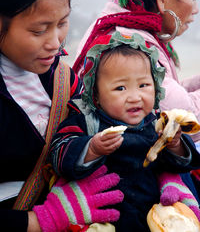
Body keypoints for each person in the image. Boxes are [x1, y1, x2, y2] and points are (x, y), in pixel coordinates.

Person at [0, 0, 123, 231]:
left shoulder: (64, 79)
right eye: (40, 29)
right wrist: (40, 221)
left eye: (62, 23)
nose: (55, 42)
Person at [50, 31, 200, 232]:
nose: (134, 97)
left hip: (152, 215)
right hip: (107, 215)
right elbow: (59, 154)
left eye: (144, 85)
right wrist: (91, 149)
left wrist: (176, 145)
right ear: (95, 94)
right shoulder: (87, 123)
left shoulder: (156, 123)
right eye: (120, 88)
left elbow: (183, 165)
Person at [73, 0, 200, 146]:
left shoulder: (128, 26)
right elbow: (183, 119)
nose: (195, 9)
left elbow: (160, 95)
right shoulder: (128, 41)